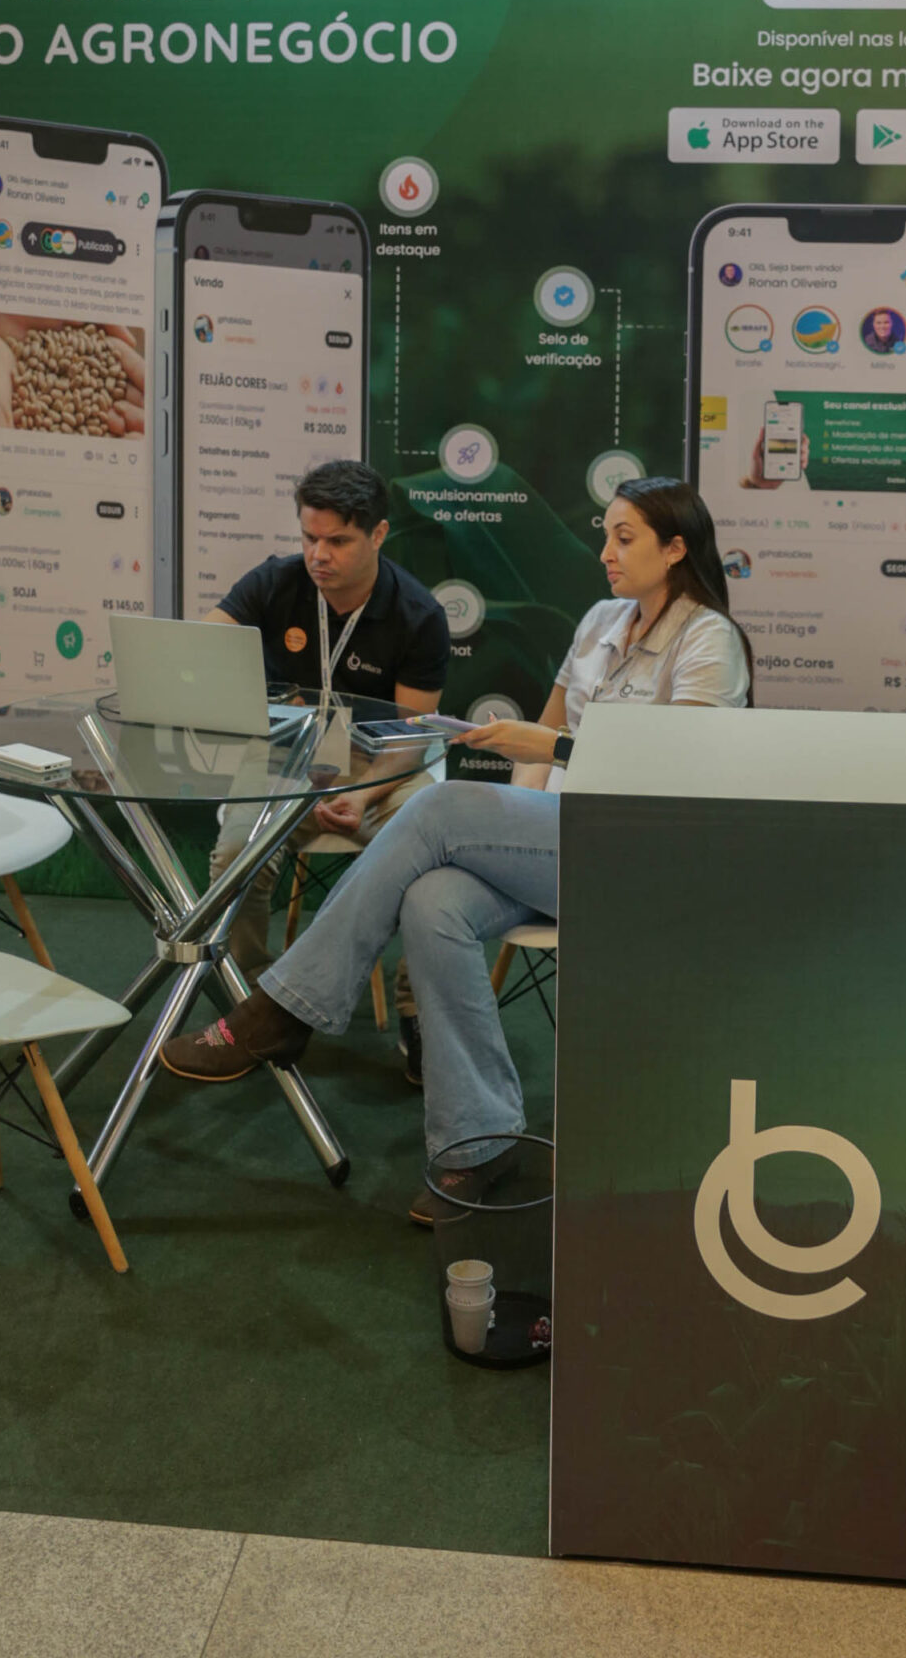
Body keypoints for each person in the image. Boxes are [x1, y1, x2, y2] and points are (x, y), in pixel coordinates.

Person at [160, 477, 751, 1222]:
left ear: (676, 549)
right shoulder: (603, 620)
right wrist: (528, 801)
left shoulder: (709, 639)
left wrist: (551, 749)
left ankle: (283, 1009)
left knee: (438, 805)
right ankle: (479, 1145)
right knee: (431, 899)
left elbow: (678, 770)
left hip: (644, 856)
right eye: (603, 534)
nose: (604, 552)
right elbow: (544, 747)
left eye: (624, 538)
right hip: (560, 841)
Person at [199, 460, 450, 1073]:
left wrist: (362, 797)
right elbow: (201, 648)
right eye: (309, 537)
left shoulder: (418, 613)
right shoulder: (274, 583)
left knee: (436, 864)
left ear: (378, 534)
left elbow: (411, 738)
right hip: (284, 755)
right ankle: (257, 1003)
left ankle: (419, 1012)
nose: (318, 555)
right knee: (235, 860)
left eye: (337, 541)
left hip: (377, 763)